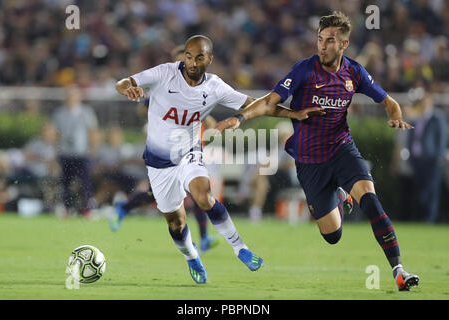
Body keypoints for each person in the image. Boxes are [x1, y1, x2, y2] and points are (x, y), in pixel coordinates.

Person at [215, 12, 419, 291]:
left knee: (371, 202)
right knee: (332, 236)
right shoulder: (304, 70)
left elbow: (389, 102)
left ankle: (399, 270)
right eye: (320, 39)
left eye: (330, 40)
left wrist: (394, 115)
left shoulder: (354, 72)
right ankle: (338, 194)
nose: (322, 46)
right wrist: (240, 118)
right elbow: (268, 103)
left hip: (342, 150)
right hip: (310, 163)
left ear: (344, 44)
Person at [115, 35, 314, 283]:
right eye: (188, 56)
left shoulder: (215, 87)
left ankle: (241, 248)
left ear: (209, 59)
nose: (192, 62)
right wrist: (129, 87)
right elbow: (123, 82)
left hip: (189, 152)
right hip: (158, 163)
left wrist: (293, 113)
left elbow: (258, 105)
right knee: (176, 223)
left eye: (199, 57)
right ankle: (191, 256)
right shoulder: (165, 73)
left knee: (204, 196)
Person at [109, 45, 220, 253]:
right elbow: (143, 108)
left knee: (197, 193)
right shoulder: (166, 87)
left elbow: (209, 119)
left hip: (187, 153)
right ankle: (124, 207)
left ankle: (204, 238)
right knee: (156, 194)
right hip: (165, 152)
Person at [52, 84, 98, 217]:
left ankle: (87, 209)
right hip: (65, 153)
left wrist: (92, 150)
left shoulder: (86, 112)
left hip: (81, 153)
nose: (71, 98)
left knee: (85, 182)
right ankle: (66, 209)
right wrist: (55, 152)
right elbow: (57, 135)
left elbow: (92, 132)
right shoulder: (59, 113)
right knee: (65, 182)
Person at [409, 91, 447, 223]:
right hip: (418, 159)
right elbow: (412, 138)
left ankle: (430, 217)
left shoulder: (437, 118)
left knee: (432, 189)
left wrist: (439, 156)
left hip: (431, 159)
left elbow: (442, 138)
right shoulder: (417, 118)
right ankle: (423, 216)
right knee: (422, 189)